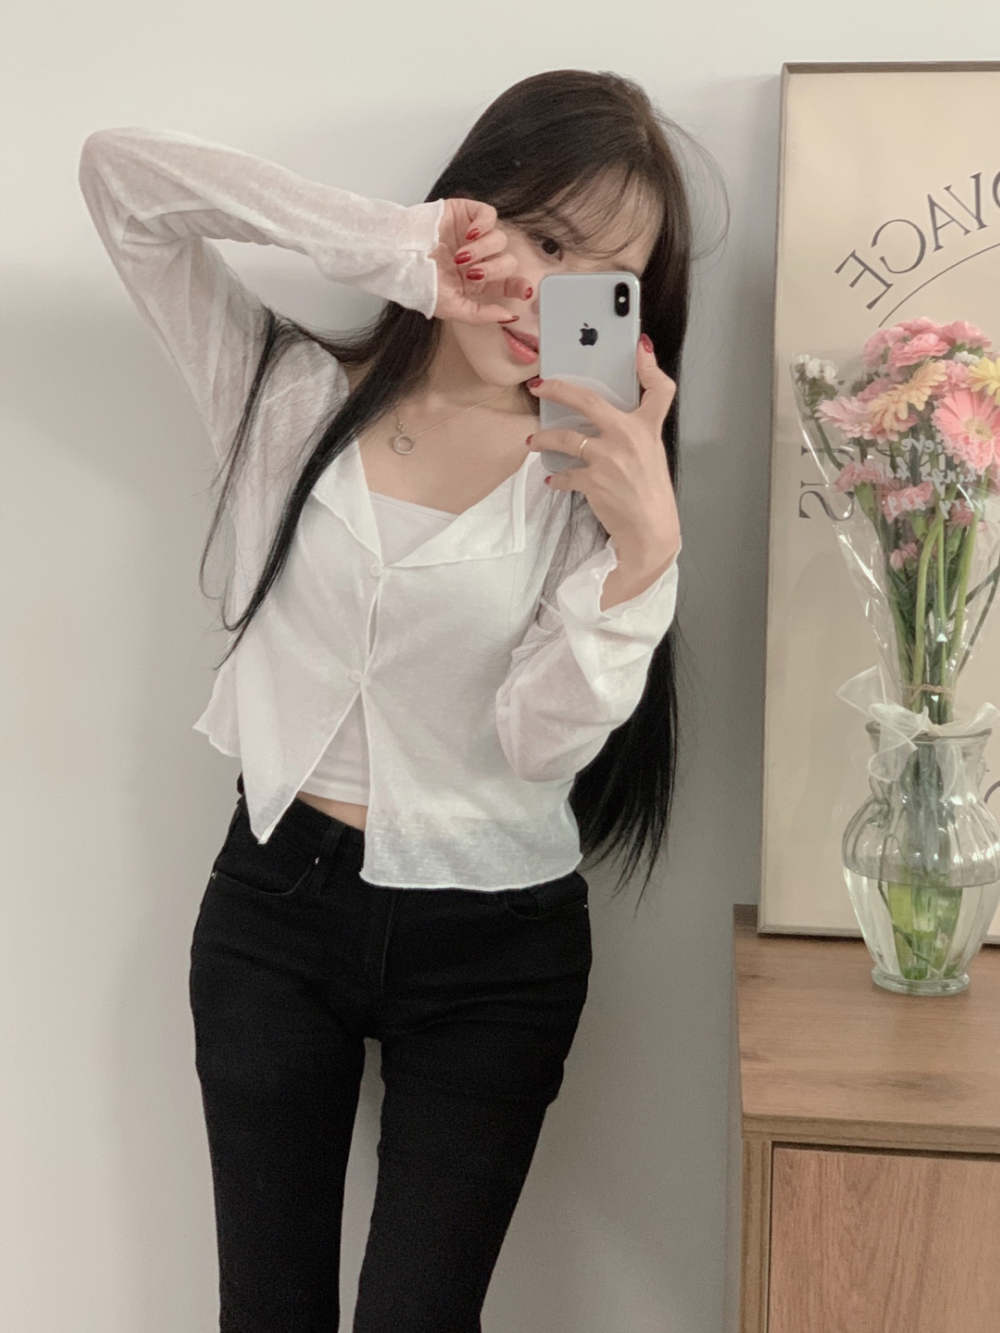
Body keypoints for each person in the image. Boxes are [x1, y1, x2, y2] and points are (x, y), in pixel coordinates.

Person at [79, 67, 696, 1333]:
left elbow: (538, 745)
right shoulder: (287, 396)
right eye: (537, 235)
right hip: (274, 907)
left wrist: (640, 560)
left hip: (496, 947)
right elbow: (120, 181)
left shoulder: (588, 485)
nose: (543, 290)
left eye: (597, 272)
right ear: (472, 204)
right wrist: (398, 249)